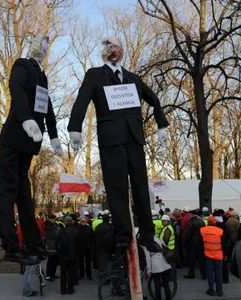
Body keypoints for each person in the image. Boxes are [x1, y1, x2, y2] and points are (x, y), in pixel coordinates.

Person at [67, 36, 169, 253]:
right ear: (103, 51)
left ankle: (147, 234)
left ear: (123, 50)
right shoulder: (95, 75)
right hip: (111, 139)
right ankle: (123, 234)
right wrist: (74, 127)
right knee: (117, 188)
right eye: (109, 47)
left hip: (134, 139)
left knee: (141, 187)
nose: (113, 50)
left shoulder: (133, 78)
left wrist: (162, 124)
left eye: (116, 47)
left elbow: (153, 98)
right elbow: (82, 100)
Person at [0, 36, 61, 265]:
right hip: (16, 135)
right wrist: (25, 119)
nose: (42, 48)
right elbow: (16, 89)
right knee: (6, 191)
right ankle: (11, 246)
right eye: (38, 44)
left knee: (24, 194)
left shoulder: (42, 76)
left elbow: (47, 105)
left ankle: (33, 245)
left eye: (45, 45)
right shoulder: (22, 65)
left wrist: (53, 135)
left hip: (28, 142)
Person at [200, 216, 227, 297]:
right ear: (215, 222)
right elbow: (224, 244)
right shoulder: (220, 231)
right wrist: (226, 254)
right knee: (219, 273)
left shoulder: (203, 230)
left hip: (208, 255)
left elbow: (200, 243)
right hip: (218, 256)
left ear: (207, 222)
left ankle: (211, 290)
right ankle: (219, 291)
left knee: (210, 273)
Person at [57, 215, 79, 295]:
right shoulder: (76, 231)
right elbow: (79, 244)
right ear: (71, 221)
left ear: (65, 222)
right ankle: (70, 289)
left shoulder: (61, 231)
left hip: (63, 256)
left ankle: (63, 290)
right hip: (73, 255)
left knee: (63, 273)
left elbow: (57, 244)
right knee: (71, 273)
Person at [183, 209, 206, 280]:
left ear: (192, 215)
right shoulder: (202, 221)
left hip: (192, 243)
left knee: (192, 259)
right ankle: (204, 274)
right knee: (201, 259)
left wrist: (186, 242)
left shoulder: (190, 223)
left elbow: (188, 234)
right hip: (201, 242)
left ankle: (191, 274)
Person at [77, 215, 94, 280]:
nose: (83, 222)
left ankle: (88, 274)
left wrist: (92, 246)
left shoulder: (89, 229)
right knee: (81, 262)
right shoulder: (78, 228)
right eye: (82, 221)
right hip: (80, 248)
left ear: (86, 221)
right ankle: (82, 274)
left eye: (84, 221)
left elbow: (92, 237)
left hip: (88, 247)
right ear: (80, 221)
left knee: (88, 262)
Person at [44, 214, 60, 281]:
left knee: (55, 261)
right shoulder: (47, 226)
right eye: (53, 219)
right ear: (49, 219)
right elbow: (53, 235)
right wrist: (58, 231)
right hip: (51, 245)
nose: (54, 220)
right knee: (51, 261)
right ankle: (48, 275)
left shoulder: (54, 224)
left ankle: (52, 274)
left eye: (54, 219)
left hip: (55, 245)